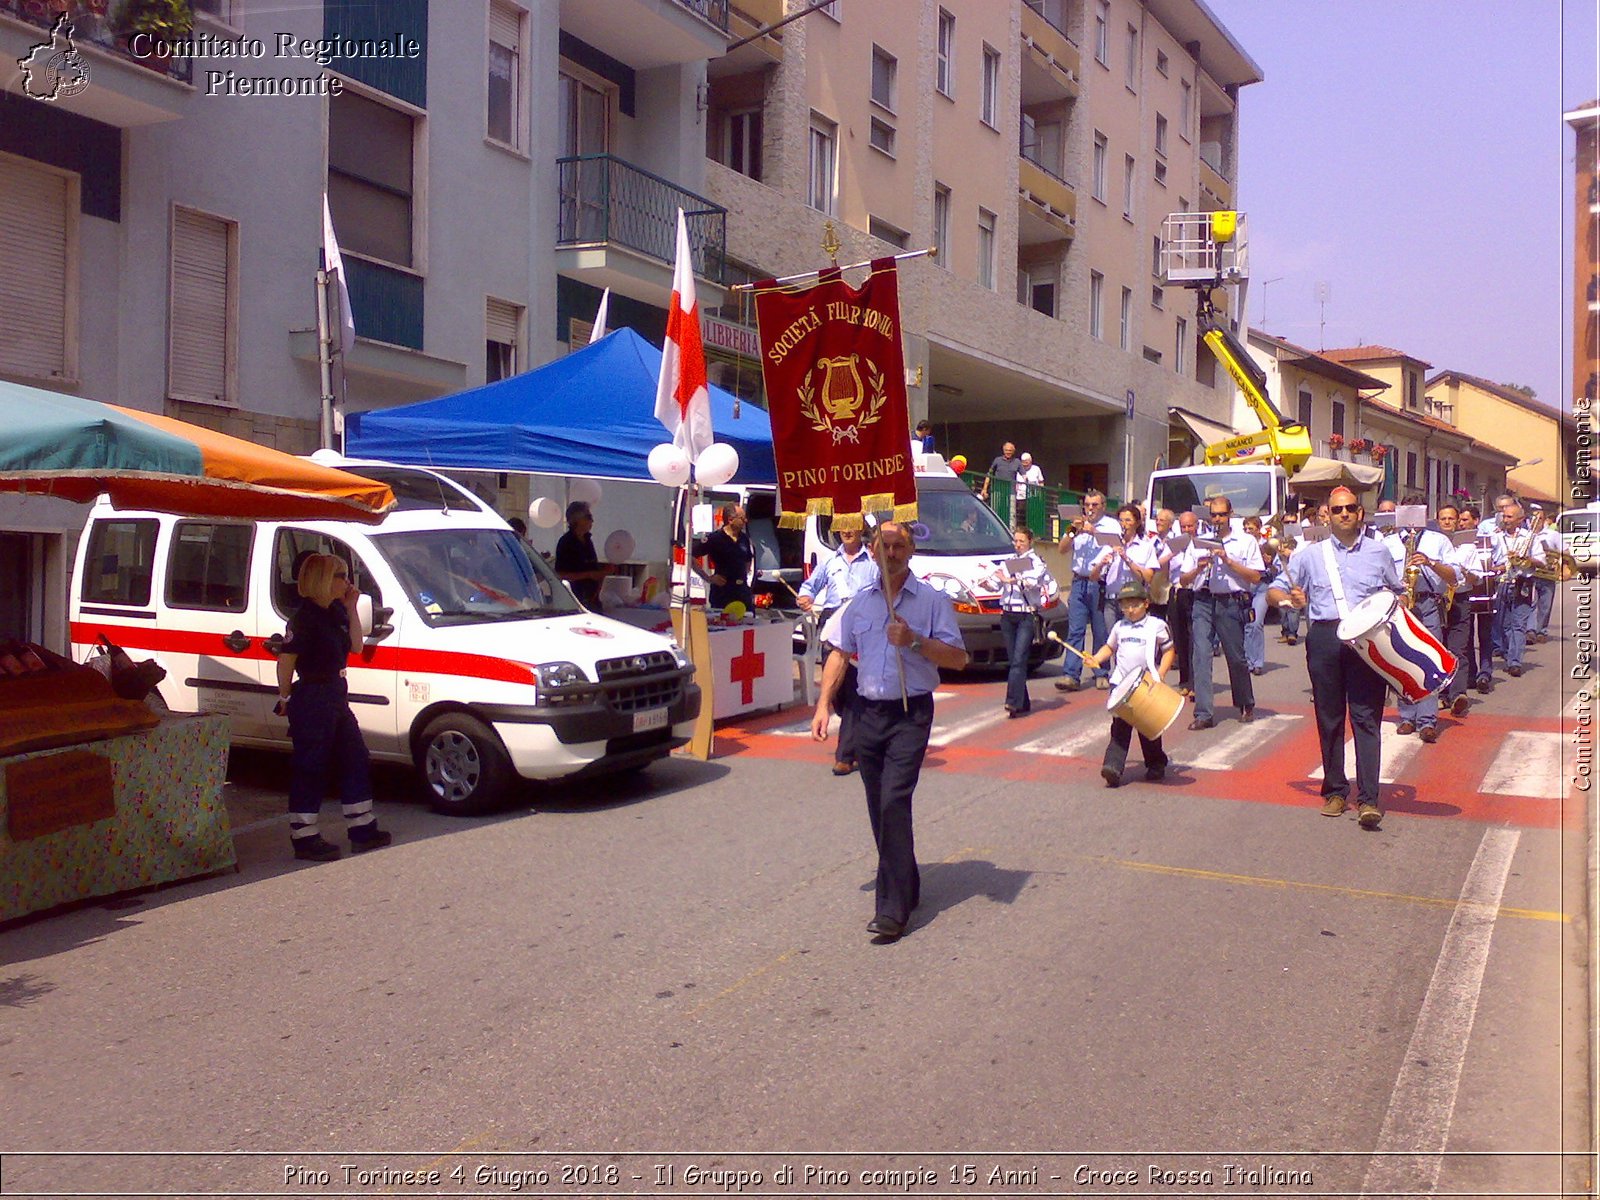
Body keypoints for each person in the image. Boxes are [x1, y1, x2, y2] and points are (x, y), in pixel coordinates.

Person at [811, 521, 968, 942]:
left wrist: (914, 641)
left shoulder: (932, 601)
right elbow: (840, 652)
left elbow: (957, 658)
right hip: (867, 714)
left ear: (912, 550)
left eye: (901, 545)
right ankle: (907, 881)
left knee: (894, 801)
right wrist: (825, 704)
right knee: (878, 808)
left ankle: (891, 910)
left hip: (909, 712)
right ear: (874, 549)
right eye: (886, 545)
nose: (892, 552)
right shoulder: (860, 603)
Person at [1269, 486, 1402, 829]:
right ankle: (1335, 790)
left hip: (1366, 640)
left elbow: (1395, 592)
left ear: (1360, 513)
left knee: (1366, 719)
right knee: (1329, 717)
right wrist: (1290, 600)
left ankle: (1369, 799)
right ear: (1328, 514)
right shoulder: (1311, 555)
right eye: (1337, 509)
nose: (1344, 514)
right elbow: (1272, 591)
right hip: (1326, 637)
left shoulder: (1379, 552)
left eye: (1350, 508)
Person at [273, 553, 392, 862]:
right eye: (341, 575)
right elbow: (286, 661)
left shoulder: (336, 611)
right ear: (324, 580)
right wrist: (284, 697)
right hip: (313, 694)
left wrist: (352, 608)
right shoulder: (305, 618)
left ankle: (362, 828)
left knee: (355, 756)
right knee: (310, 766)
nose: (347, 581)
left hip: (336, 694)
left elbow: (355, 646)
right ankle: (304, 836)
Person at [796, 525, 878, 775]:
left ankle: (845, 755)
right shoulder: (829, 561)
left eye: (851, 525)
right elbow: (809, 586)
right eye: (841, 526)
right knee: (836, 692)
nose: (846, 531)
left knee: (853, 690)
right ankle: (862, 739)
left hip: (861, 624)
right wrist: (805, 597)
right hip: (831, 622)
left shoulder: (873, 562)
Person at [1179, 496, 1261, 729]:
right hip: (1203, 600)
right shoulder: (1199, 541)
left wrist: (1228, 561)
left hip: (1230, 601)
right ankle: (1203, 713)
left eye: (1221, 515)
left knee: (1235, 656)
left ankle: (1245, 702)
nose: (1217, 519)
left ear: (1230, 514)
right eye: (1213, 515)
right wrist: (1198, 567)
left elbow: (1255, 576)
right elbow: (1183, 580)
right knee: (1201, 655)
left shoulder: (1245, 541)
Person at [1087, 578, 1175, 787]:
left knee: (1148, 725)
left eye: (1134, 605)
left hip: (1146, 683)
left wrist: (1160, 674)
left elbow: (1169, 651)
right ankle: (1113, 767)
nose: (1130, 609)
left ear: (1146, 604)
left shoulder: (1157, 625)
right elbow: (1110, 648)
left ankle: (1156, 763)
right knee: (1120, 725)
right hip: (1120, 684)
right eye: (1125, 606)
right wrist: (1096, 659)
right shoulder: (1119, 626)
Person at [1385, 495, 1458, 743]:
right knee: (1401, 659)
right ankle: (1407, 716)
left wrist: (1430, 562)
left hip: (1428, 603)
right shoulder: (1389, 543)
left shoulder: (1438, 540)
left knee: (1429, 661)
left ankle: (1428, 720)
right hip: (1400, 603)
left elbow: (1453, 575)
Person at [981, 525, 1056, 717]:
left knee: (1019, 660)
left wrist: (1010, 580)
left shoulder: (1036, 562)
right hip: (1008, 615)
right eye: (1015, 541)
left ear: (1030, 542)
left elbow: (1033, 583)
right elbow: (996, 584)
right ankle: (1023, 702)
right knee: (1014, 660)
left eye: (1021, 541)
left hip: (1026, 615)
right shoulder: (1009, 562)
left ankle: (1012, 702)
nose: (1018, 544)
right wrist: (987, 584)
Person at [1054, 490, 1122, 692]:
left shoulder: (1111, 525)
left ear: (1103, 506)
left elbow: (1116, 544)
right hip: (1078, 582)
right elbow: (1062, 549)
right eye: (1087, 505)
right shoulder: (1077, 524)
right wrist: (1073, 530)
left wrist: (1093, 532)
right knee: (1075, 630)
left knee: (1100, 631)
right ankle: (1070, 675)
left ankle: (1101, 671)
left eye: (1094, 505)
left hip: (1099, 582)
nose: (1090, 509)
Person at [1435, 503, 1477, 719]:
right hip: (1436, 600)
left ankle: (1458, 695)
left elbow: (1476, 578)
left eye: (1452, 518)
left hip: (1459, 600)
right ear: (1437, 521)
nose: (1448, 522)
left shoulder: (1468, 547)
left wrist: (1464, 572)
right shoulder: (1431, 544)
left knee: (1457, 649)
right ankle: (1440, 693)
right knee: (1437, 648)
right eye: (1443, 519)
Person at [1493, 501, 1538, 677]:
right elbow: (1490, 559)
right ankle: (1509, 654)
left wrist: (1527, 559)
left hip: (1522, 582)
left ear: (1520, 519)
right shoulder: (1495, 537)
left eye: (1509, 516)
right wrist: (1497, 568)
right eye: (1504, 516)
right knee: (1503, 624)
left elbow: (1541, 561)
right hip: (1502, 582)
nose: (1505, 520)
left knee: (1518, 625)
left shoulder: (1530, 538)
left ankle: (1515, 662)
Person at [694, 503, 756, 611]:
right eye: (742, 518)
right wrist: (708, 578)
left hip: (742, 591)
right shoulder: (715, 539)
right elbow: (691, 556)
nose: (745, 521)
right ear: (731, 519)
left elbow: (748, 559)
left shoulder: (744, 538)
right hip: (723, 592)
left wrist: (744, 574)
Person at [1166, 510, 1200, 695]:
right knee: (1179, 638)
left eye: (1190, 525)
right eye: (1184, 526)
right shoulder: (1174, 545)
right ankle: (1184, 680)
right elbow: (1162, 568)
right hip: (1176, 591)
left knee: (1194, 638)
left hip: (1194, 592)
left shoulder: (1202, 544)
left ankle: (1195, 682)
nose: (1187, 529)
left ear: (1197, 525)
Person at [554, 501, 608, 608]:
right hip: (574, 601)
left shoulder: (588, 540)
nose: (592, 520)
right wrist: (589, 574)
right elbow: (560, 574)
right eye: (588, 516)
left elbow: (592, 568)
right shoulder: (566, 542)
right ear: (577, 519)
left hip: (592, 600)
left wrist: (602, 572)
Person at [1529, 505, 1562, 642]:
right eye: (1533, 518)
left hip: (1547, 574)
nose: (1536, 521)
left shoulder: (1553, 535)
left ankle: (1541, 631)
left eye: (1539, 519)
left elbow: (1564, 553)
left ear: (1544, 520)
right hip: (1530, 574)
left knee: (1545, 605)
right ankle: (1529, 631)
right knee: (1530, 603)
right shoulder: (1525, 534)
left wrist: (1557, 564)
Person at [979, 442, 1024, 526]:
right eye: (1006, 450)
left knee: (1011, 513)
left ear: (1013, 451)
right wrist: (984, 488)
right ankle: (993, 529)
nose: (1008, 452)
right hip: (997, 490)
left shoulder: (1017, 462)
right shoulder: (997, 460)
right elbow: (989, 474)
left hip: (1011, 491)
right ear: (1003, 451)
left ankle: (1011, 532)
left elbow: (1024, 475)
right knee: (995, 511)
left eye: (1010, 450)